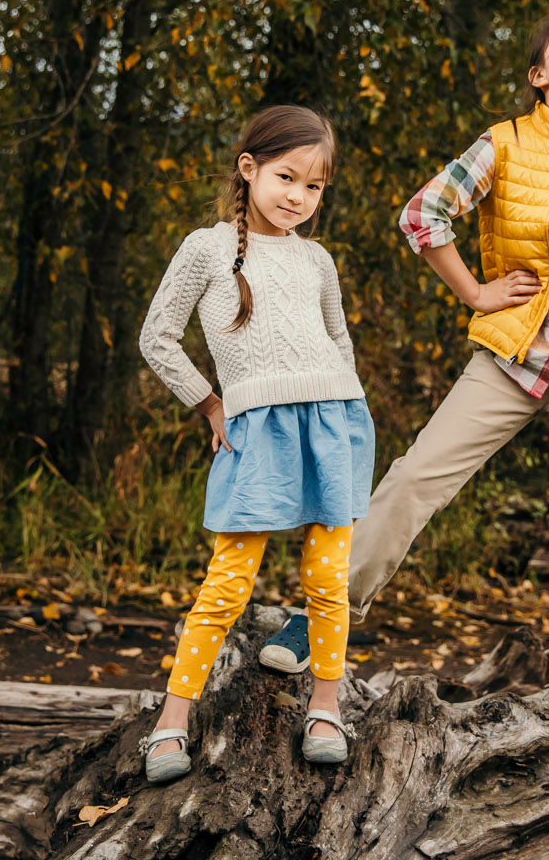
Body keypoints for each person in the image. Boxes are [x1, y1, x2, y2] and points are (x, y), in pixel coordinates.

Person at [256, 5, 549, 736]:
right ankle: (319, 618)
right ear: (540, 73)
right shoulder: (504, 144)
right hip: (511, 356)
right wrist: (474, 292)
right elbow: (424, 215)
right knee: (414, 481)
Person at [135, 105, 374, 783]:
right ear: (250, 169)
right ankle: (172, 720)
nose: (298, 195)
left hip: (334, 422)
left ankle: (325, 709)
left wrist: (350, 410)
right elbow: (157, 337)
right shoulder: (208, 248)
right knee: (227, 583)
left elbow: (339, 340)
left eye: (314, 185)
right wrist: (209, 401)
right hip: (256, 429)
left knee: (327, 582)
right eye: (286, 176)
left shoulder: (318, 258)